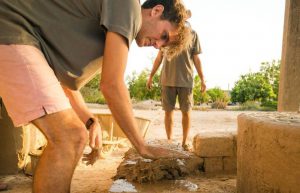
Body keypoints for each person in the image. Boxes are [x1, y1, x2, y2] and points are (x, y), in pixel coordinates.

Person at [0, 0, 190, 192]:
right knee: (69, 137)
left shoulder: (110, 31)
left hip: (21, 38)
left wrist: (90, 121)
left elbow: (61, 82)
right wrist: (142, 146)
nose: (158, 45)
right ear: (156, 11)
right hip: (11, 28)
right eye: (164, 36)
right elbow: (111, 85)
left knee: (75, 136)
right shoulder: (129, 6)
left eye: (164, 45)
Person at [147, 24, 206, 151]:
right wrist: (151, 76)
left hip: (186, 81)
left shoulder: (193, 34)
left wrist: (202, 79)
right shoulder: (165, 33)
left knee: (187, 112)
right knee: (168, 112)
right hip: (167, 80)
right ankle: (169, 141)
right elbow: (159, 58)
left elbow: (196, 58)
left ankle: (184, 142)